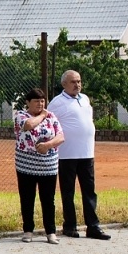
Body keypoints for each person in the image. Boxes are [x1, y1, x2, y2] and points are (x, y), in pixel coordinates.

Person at [47, 69, 110, 240]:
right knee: (68, 192)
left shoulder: (85, 99)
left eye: (79, 81)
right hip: (67, 154)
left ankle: (93, 226)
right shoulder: (57, 102)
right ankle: (70, 226)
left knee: (89, 191)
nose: (77, 85)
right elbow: (49, 122)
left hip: (86, 153)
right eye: (73, 82)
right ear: (64, 84)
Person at [13, 88, 65, 244]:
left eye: (42, 101)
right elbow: (28, 125)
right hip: (26, 165)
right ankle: (28, 230)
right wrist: (42, 115)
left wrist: (48, 145)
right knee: (27, 198)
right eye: (36, 101)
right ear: (28, 102)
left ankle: (51, 232)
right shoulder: (21, 115)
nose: (40, 104)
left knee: (48, 199)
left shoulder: (52, 117)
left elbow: (61, 136)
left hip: (48, 165)